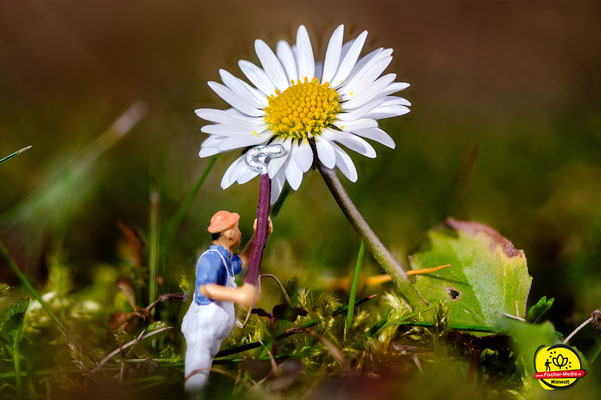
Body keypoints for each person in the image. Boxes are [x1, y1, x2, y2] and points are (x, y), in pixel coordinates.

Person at [181, 210, 271, 392]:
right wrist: (240, 295)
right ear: (228, 234)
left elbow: (244, 260)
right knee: (196, 379)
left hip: (211, 334)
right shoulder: (211, 259)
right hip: (202, 331)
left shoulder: (223, 258)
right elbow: (206, 288)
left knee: (202, 375)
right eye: (237, 229)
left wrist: (258, 235)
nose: (239, 233)